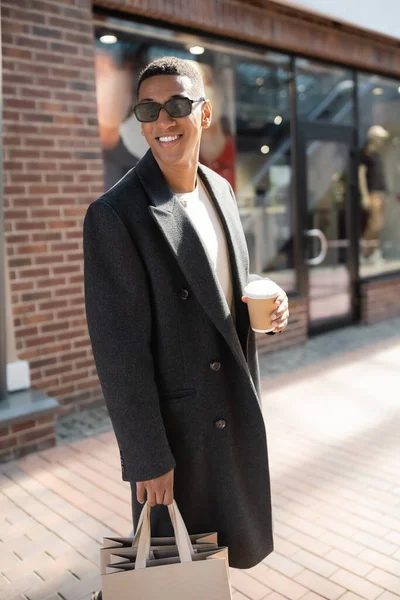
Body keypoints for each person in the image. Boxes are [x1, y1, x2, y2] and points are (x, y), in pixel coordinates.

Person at [83, 57, 289, 589]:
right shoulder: (116, 214)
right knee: (174, 577)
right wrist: (146, 456)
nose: (162, 121)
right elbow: (118, 349)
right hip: (178, 434)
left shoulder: (219, 190)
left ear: (204, 111)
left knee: (214, 565)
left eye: (176, 105)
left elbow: (218, 280)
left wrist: (265, 302)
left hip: (230, 407)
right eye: (148, 109)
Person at [359, 124, 389, 264]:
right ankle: (363, 252)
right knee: (374, 225)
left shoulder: (377, 155)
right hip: (373, 193)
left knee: (379, 225)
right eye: (380, 138)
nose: (381, 141)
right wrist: (364, 195)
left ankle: (372, 252)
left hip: (380, 193)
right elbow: (361, 175)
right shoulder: (366, 155)